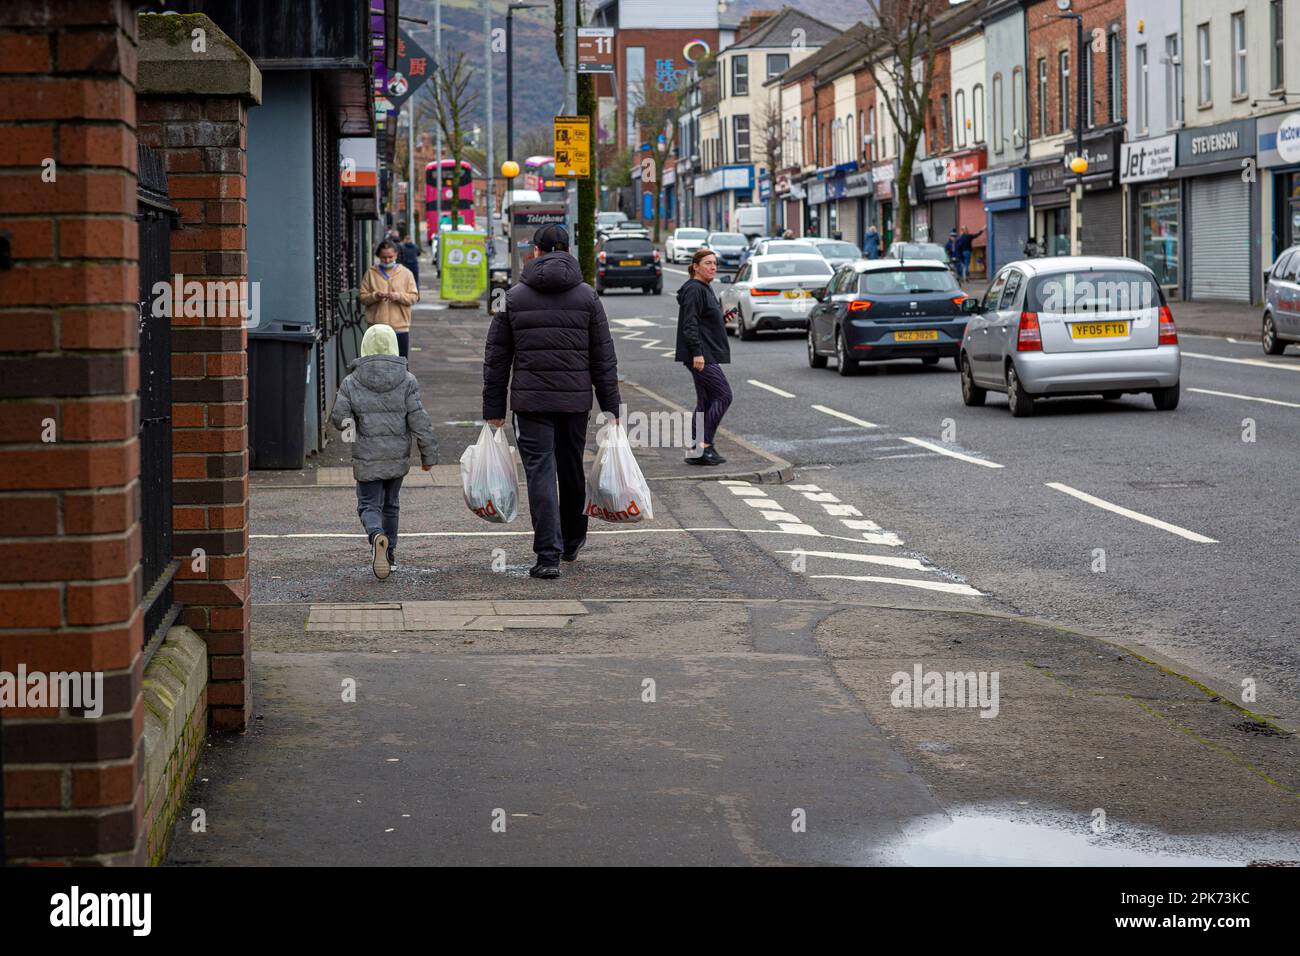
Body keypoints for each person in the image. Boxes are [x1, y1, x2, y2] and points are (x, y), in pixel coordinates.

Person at [482, 223, 621, 580]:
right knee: (570, 466)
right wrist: (612, 408)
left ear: (537, 253)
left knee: (541, 473)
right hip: (575, 402)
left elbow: (497, 359)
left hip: (530, 403)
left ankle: (548, 555)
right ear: (568, 250)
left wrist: (494, 410)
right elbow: (603, 357)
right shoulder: (588, 296)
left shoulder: (513, 297)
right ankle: (573, 539)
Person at [329, 323, 438, 580]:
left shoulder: (351, 381)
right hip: (397, 457)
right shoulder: (407, 380)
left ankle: (376, 535)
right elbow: (419, 420)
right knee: (391, 504)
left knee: (368, 504)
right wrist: (428, 456)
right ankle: (390, 556)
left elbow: (339, 417)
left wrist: (353, 433)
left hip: (367, 456)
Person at [675, 248, 731, 466]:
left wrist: (723, 317)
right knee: (724, 395)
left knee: (706, 400)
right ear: (696, 266)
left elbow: (704, 321)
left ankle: (697, 449)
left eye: (715, 263)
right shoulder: (694, 290)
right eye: (708, 263)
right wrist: (697, 353)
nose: (713, 267)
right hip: (701, 355)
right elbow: (689, 324)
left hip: (705, 352)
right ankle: (704, 445)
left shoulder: (705, 288)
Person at [359, 239, 420, 359]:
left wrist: (399, 296)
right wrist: (375, 296)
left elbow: (414, 297)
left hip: (400, 328)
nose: (387, 260)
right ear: (378, 256)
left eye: (390, 257)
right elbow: (362, 297)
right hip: (376, 328)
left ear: (396, 254)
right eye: (383, 257)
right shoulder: (371, 273)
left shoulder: (406, 273)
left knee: (400, 364)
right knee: (376, 364)